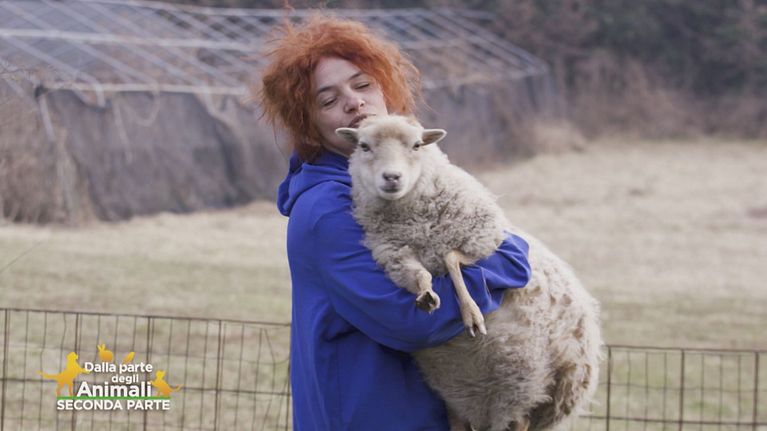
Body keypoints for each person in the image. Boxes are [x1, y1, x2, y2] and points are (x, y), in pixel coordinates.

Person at [258, 15, 532, 431]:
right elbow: (411, 319)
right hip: (370, 416)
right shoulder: (328, 209)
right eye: (328, 101)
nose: (354, 102)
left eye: (363, 84)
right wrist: (507, 257)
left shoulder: (398, 185)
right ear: (309, 127)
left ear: (386, 89)